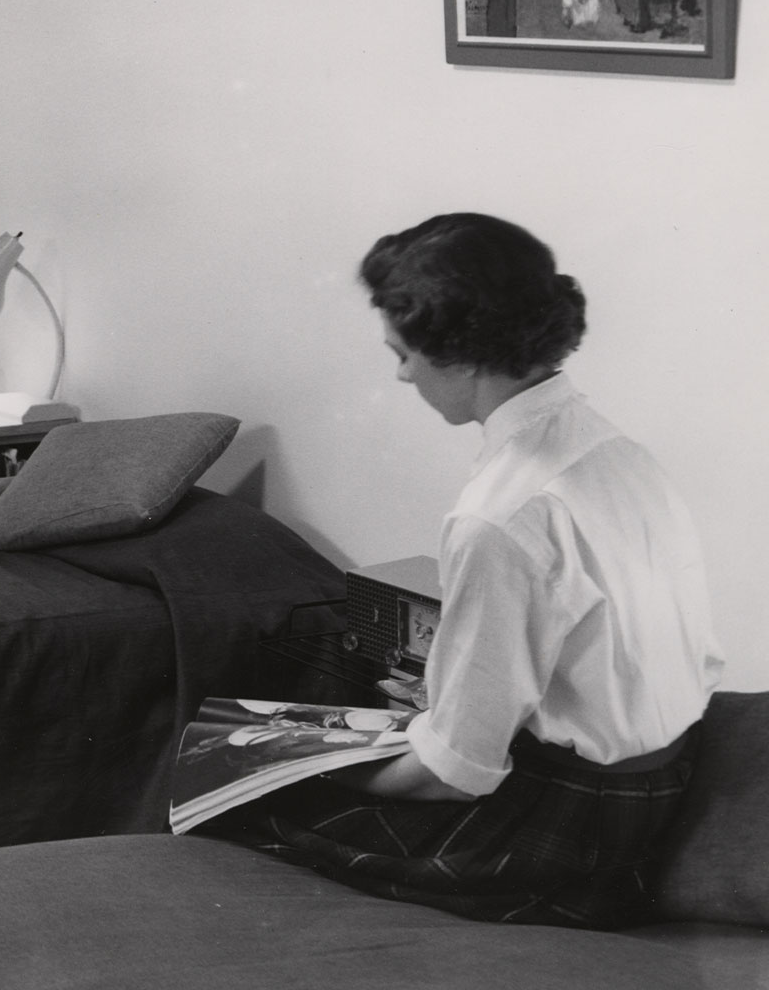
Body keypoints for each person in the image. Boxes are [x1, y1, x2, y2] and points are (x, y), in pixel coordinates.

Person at [212, 212, 725, 929]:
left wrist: (330, 763)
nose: (399, 374)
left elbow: (456, 772)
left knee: (230, 793)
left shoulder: (500, 517)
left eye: (405, 355)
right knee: (301, 718)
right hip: (662, 776)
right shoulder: (615, 451)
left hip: (569, 827)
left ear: (462, 357)